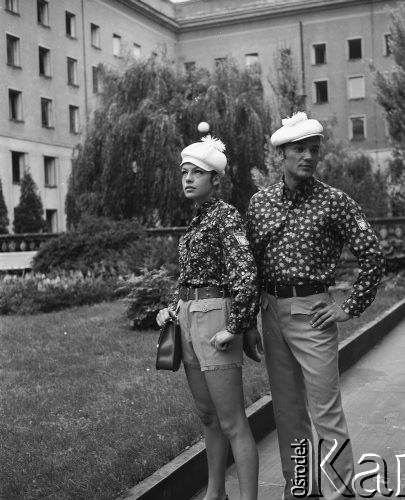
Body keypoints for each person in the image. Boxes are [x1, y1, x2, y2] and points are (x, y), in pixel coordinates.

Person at [244, 112, 385, 500]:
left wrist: (348, 306)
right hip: (271, 311)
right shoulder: (260, 204)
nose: (308, 156)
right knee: (288, 411)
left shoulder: (333, 201)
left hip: (314, 312)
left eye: (313, 150)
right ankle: (302, 489)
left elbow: (373, 254)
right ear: (282, 155)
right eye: (299, 149)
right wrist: (249, 321)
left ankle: (342, 490)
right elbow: (251, 265)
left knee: (325, 409)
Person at [156, 135, 259, 500]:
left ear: (215, 179)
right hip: (187, 318)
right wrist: (172, 306)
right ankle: (216, 493)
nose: (187, 178)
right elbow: (190, 277)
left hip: (215, 318)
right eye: (184, 172)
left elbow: (245, 273)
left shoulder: (226, 215)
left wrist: (236, 326)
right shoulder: (195, 221)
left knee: (232, 421)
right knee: (208, 418)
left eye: (196, 173)